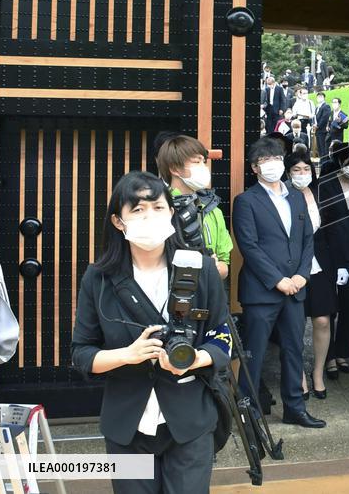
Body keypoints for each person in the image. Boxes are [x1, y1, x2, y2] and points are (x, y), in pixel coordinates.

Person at [71, 171, 232, 494]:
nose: (150, 217)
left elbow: (223, 335)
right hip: (126, 425)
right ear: (119, 221)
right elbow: (82, 353)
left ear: (171, 213)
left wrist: (196, 358)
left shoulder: (199, 268)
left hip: (189, 421)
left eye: (158, 208)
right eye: (138, 210)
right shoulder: (99, 279)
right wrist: (126, 355)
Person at [232, 137, 324, 428]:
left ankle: (295, 408)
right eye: (264, 161)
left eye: (276, 159)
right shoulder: (246, 201)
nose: (272, 165)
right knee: (254, 354)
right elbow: (248, 246)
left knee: (294, 350)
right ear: (255, 168)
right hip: (262, 292)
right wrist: (277, 280)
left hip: (295, 288)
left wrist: (301, 275)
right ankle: (250, 412)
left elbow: (307, 239)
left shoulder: (296, 196)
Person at [285, 151, 334, 400]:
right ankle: (299, 377)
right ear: (288, 172)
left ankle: (317, 374)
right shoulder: (282, 195)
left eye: (306, 169)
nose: (302, 174)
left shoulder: (320, 194)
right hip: (293, 269)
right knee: (294, 324)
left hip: (320, 265)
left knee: (322, 320)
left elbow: (329, 230)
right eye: (297, 170)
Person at [319, 143, 349, 380]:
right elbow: (322, 222)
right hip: (329, 253)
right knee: (329, 307)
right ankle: (328, 357)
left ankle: (342, 353)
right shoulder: (325, 186)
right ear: (341, 163)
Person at [155, 135, 231, 279]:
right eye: (196, 162)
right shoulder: (158, 208)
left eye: (204, 162)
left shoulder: (213, 209)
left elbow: (224, 264)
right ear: (175, 169)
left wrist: (215, 267)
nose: (203, 167)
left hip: (208, 294)